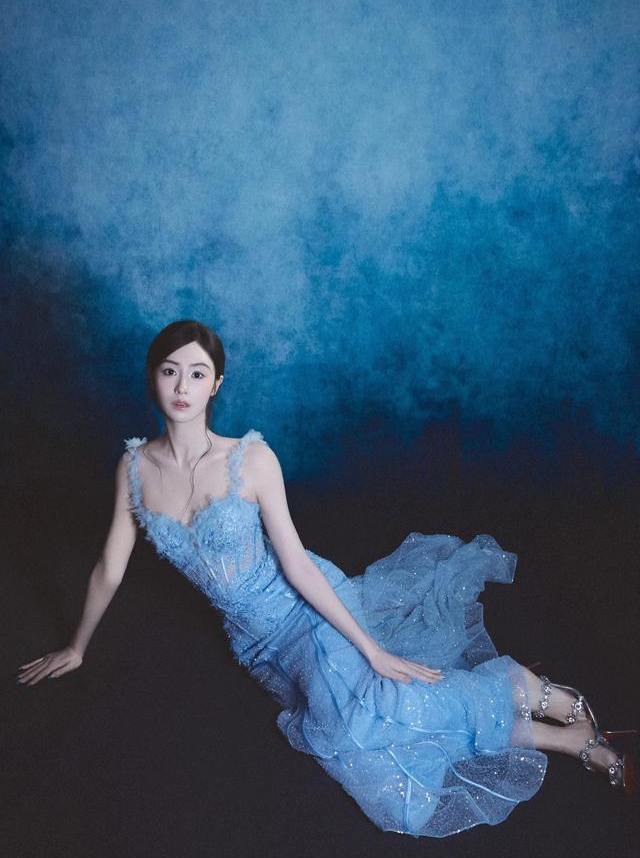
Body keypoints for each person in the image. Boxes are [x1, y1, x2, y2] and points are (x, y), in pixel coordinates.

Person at [17, 319, 637, 837]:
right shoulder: (133, 469)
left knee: (380, 712)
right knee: (387, 769)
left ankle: (544, 715)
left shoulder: (251, 460)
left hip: (307, 607)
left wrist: (370, 649)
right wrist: (77, 646)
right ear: (152, 377)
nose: (182, 386)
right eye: (170, 371)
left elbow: (294, 563)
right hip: (254, 642)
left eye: (197, 373)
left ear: (217, 385)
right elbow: (110, 567)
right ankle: (536, 713)